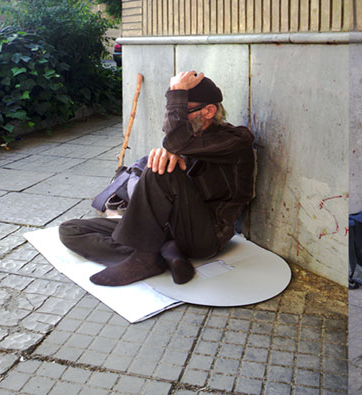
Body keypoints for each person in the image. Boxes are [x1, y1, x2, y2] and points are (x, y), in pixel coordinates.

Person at [59, 71, 255, 286]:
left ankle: (144, 259)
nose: (175, 118)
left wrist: (178, 94)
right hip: (169, 228)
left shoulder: (236, 140)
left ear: (209, 111)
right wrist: (167, 151)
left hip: (204, 236)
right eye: (173, 112)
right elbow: (176, 141)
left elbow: (177, 142)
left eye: (182, 111)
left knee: (159, 169)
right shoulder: (187, 140)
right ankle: (163, 253)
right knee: (70, 230)